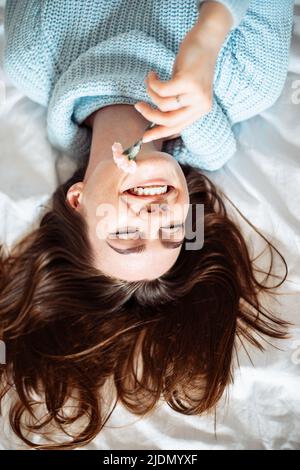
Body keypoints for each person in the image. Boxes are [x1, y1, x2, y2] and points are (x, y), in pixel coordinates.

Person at [0, 0, 294, 449]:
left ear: (77, 200)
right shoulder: (246, 81)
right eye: (172, 232)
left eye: (124, 235)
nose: (155, 218)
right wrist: (212, 29)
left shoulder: (29, 55)